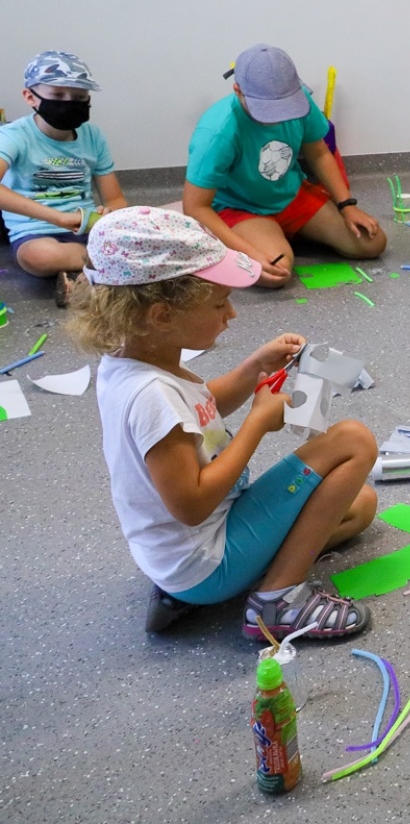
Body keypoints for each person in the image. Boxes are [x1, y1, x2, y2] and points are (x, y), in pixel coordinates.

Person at [68, 207, 378, 638]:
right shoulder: (150, 395)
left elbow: (200, 408)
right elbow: (192, 506)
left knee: (359, 506)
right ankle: (277, 602)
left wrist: (253, 368)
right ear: (161, 316)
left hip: (183, 556)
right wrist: (256, 423)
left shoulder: (133, 361)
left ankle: (187, 593)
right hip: (205, 558)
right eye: (219, 304)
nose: (230, 314)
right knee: (353, 441)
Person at [182, 44, 386, 289]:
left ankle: (282, 234)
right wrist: (249, 254)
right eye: (266, 110)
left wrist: (347, 206)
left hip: (290, 195)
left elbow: (320, 153)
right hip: (239, 207)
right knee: (275, 271)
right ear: (238, 91)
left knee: (372, 243)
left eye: (283, 108)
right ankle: (256, 239)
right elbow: (195, 206)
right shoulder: (217, 132)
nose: (276, 118)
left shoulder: (301, 101)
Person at [0, 51, 127, 306]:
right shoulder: (14, 136)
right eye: (58, 95)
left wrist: (110, 213)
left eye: (79, 97)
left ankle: (88, 270)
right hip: (35, 232)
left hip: (88, 227)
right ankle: (108, 262)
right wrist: (58, 217)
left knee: (165, 217)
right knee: (40, 257)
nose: (69, 103)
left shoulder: (93, 136)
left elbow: (115, 199)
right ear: (30, 97)